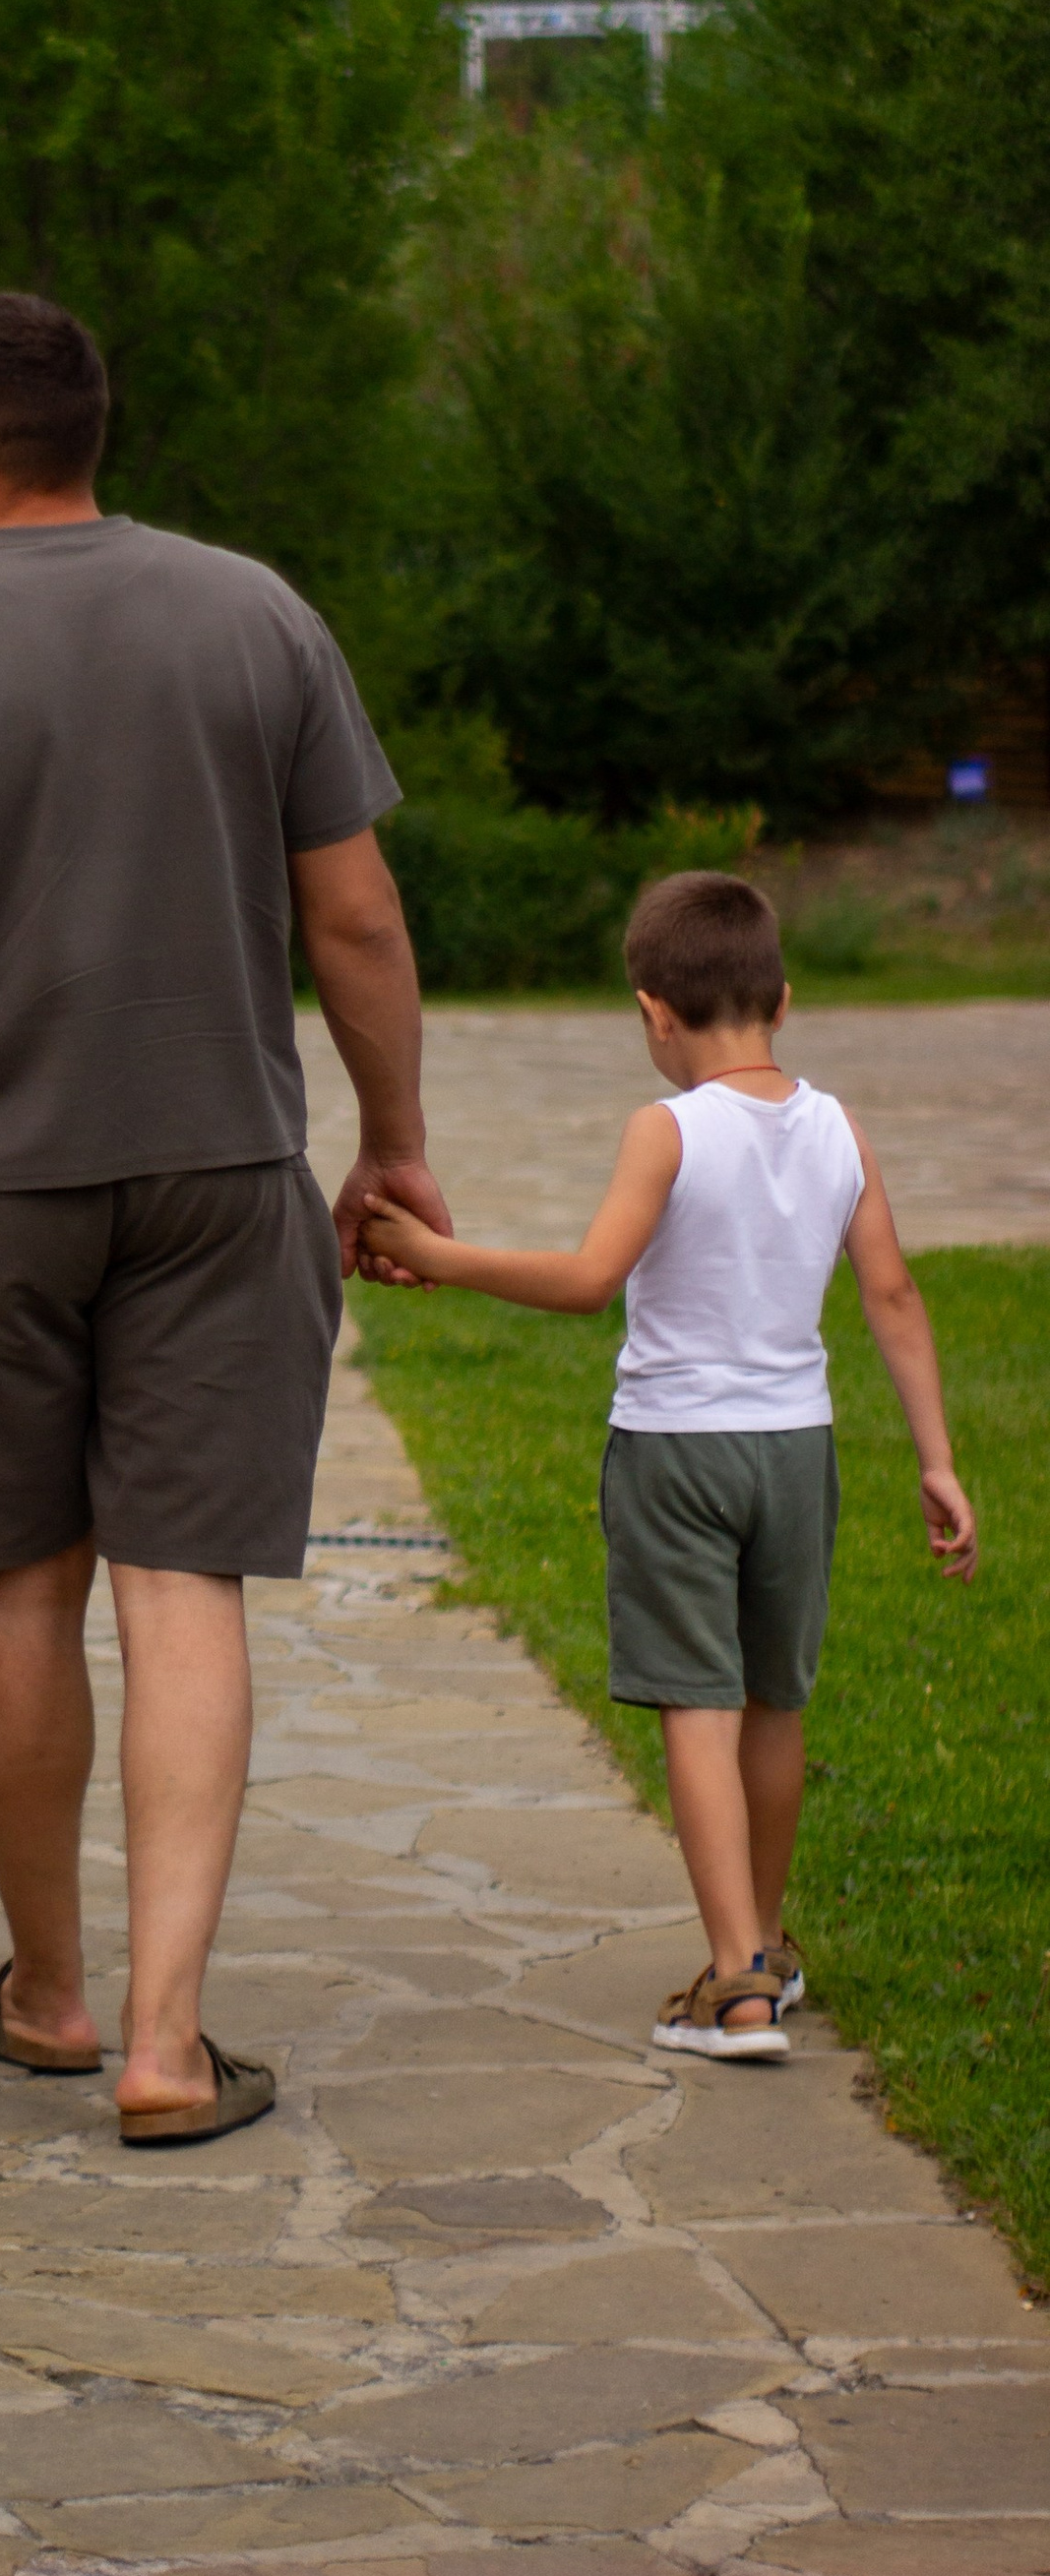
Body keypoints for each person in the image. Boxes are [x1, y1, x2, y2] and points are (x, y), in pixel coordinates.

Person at [0, 292, 448, 2148]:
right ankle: (167, 2044)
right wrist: (390, 1140)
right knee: (184, 1584)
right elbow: (363, 924)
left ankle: (48, 1995)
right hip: (224, 1171)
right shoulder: (256, 617)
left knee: (23, 1587)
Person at [363, 868, 977, 2060]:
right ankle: (765, 1947)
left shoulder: (668, 1128)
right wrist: (937, 1458)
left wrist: (439, 1256)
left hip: (675, 1451)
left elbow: (591, 1280)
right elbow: (891, 1292)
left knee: (696, 1708)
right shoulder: (837, 1124)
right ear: (784, 1001)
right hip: (795, 1450)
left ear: (652, 1012)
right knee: (771, 1701)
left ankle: (738, 1986)